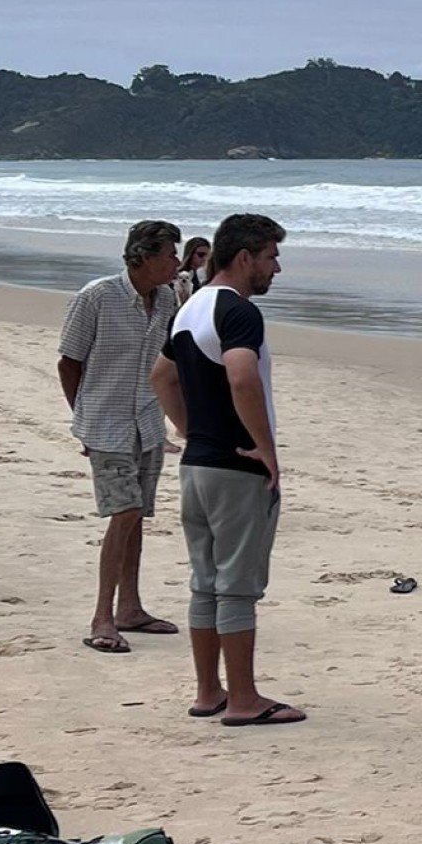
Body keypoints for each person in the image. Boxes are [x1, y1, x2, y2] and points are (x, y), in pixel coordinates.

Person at [149, 213, 303, 726]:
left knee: (205, 582)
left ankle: (208, 690)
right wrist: (265, 448)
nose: (276, 268)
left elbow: (162, 377)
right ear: (244, 257)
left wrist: (191, 430)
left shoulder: (190, 307)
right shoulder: (238, 311)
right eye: (270, 257)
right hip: (236, 467)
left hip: (198, 465)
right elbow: (241, 377)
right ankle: (242, 698)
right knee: (237, 584)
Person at [58, 219, 183, 655]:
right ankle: (102, 617)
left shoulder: (167, 299)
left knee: (137, 516)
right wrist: (85, 419)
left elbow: (169, 362)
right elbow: (68, 363)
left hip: (147, 422)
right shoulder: (96, 296)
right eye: (170, 254)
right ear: (144, 256)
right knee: (125, 510)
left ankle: (130, 608)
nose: (177, 262)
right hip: (105, 424)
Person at [172, 235, 210, 305]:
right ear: (190, 254)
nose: (205, 259)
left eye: (208, 256)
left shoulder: (208, 276)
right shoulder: (176, 275)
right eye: (201, 255)